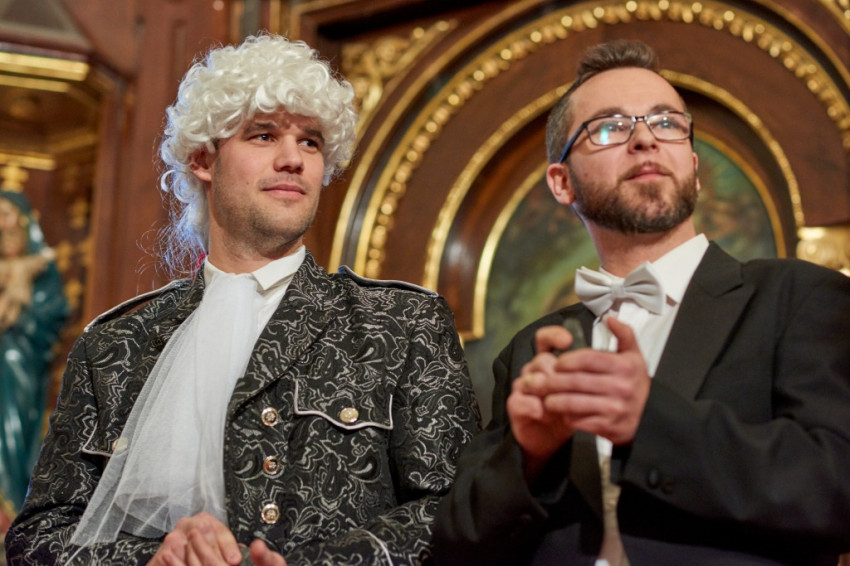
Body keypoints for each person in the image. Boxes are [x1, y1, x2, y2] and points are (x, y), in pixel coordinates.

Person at [6, 34, 480, 566]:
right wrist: (152, 559)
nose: (293, 159)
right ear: (203, 159)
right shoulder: (114, 345)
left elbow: (458, 511)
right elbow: (37, 538)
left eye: (311, 142)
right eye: (264, 135)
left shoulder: (402, 322)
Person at [433, 39, 850, 565]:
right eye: (609, 127)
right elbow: (457, 545)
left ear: (693, 166)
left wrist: (651, 423)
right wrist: (528, 457)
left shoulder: (798, 297)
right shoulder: (529, 350)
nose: (646, 139)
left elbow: (838, 487)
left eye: (666, 122)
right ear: (562, 183)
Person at [0, 190, 68, 524]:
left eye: (7, 215)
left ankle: (7, 498)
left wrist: (18, 318)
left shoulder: (40, 269)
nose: (2, 225)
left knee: (10, 426)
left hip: (18, 361)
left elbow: (53, 311)